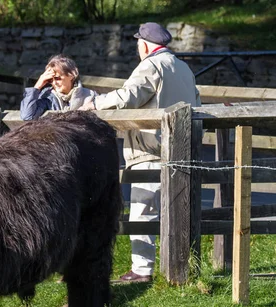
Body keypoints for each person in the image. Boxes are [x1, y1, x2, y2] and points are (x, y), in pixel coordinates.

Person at [80, 22, 201, 283]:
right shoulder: (184, 68)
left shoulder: (150, 65)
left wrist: (95, 104)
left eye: (138, 45)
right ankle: (183, 266)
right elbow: (197, 103)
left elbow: (128, 97)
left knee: (143, 211)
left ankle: (142, 270)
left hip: (150, 150)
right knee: (178, 210)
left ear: (144, 45)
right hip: (180, 150)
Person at [20, 54, 96, 120]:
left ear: (72, 74)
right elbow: (27, 116)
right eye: (50, 80)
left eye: (57, 78)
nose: (54, 83)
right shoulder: (47, 98)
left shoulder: (90, 96)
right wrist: (37, 86)